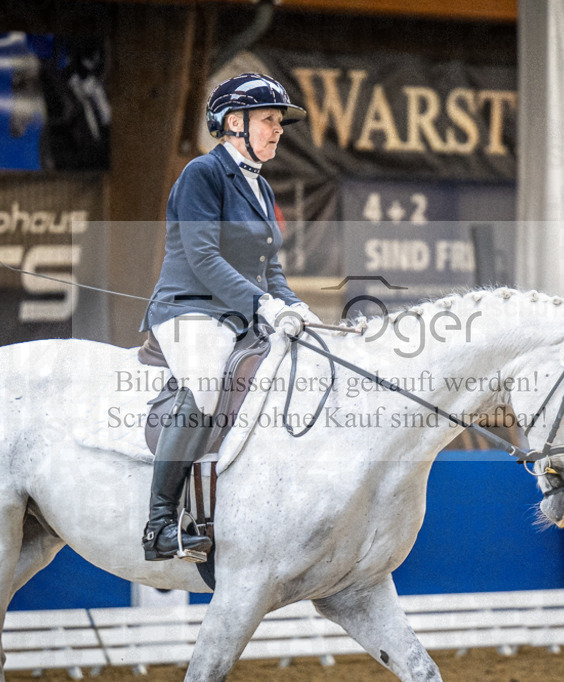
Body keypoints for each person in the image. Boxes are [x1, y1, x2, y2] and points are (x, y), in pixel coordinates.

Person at [138, 73, 320, 562]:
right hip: (189, 310)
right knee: (205, 385)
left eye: (280, 122)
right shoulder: (202, 173)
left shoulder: (260, 187)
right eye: (268, 120)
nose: (277, 130)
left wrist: (294, 305)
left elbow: (269, 264)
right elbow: (202, 256)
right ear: (233, 123)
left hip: (238, 314)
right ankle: (159, 524)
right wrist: (262, 304)